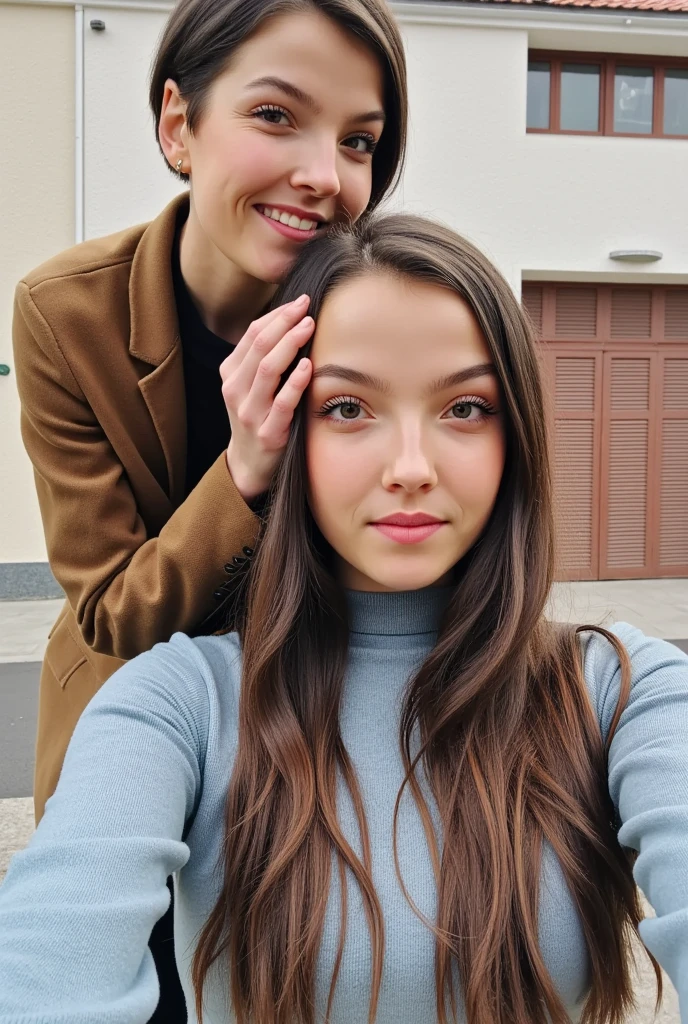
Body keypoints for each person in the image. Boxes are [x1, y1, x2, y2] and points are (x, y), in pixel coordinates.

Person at [1, 213, 687, 1024]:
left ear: (518, 438)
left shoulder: (620, 689)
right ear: (286, 432)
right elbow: (50, 967)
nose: (409, 469)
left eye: (465, 408)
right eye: (349, 408)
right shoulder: (180, 703)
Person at [11, 0, 406, 1017]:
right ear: (179, 125)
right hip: (125, 721)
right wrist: (245, 471)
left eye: (358, 140)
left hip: (308, 742)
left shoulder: (371, 315)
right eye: (278, 116)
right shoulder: (67, 312)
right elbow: (114, 608)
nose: (326, 173)